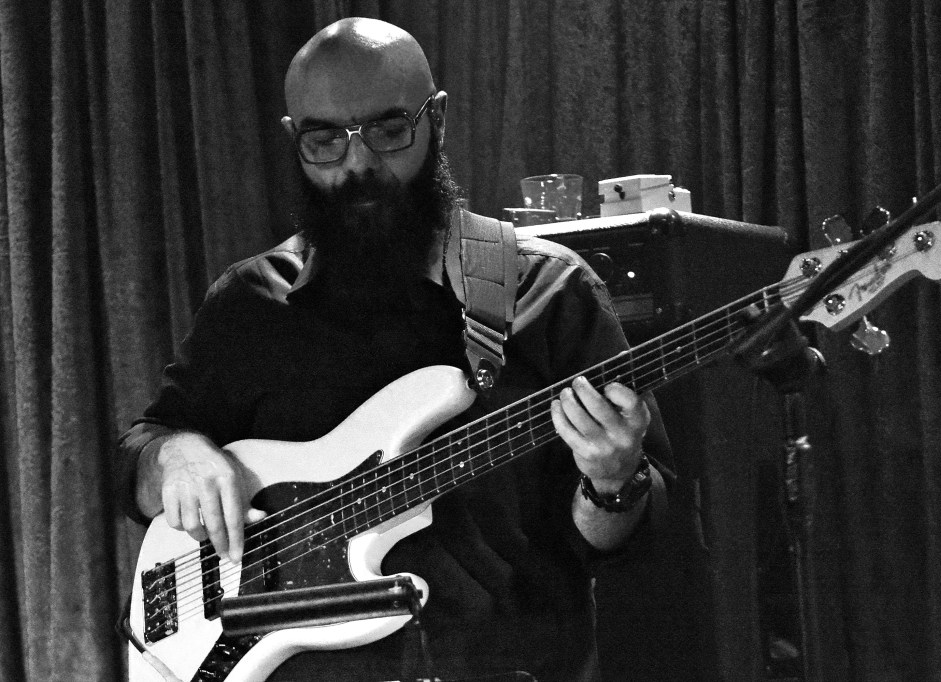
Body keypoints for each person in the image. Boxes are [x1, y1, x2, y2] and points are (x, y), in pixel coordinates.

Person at [117, 17, 694, 682]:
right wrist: (173, 454)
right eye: (325, 140)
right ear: (293, 138)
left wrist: (613, 483)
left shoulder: (548, 291)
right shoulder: (250, 304)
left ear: (436, 120)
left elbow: (631, 539)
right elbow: (141, 452)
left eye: (388, 130)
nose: (358, 163)